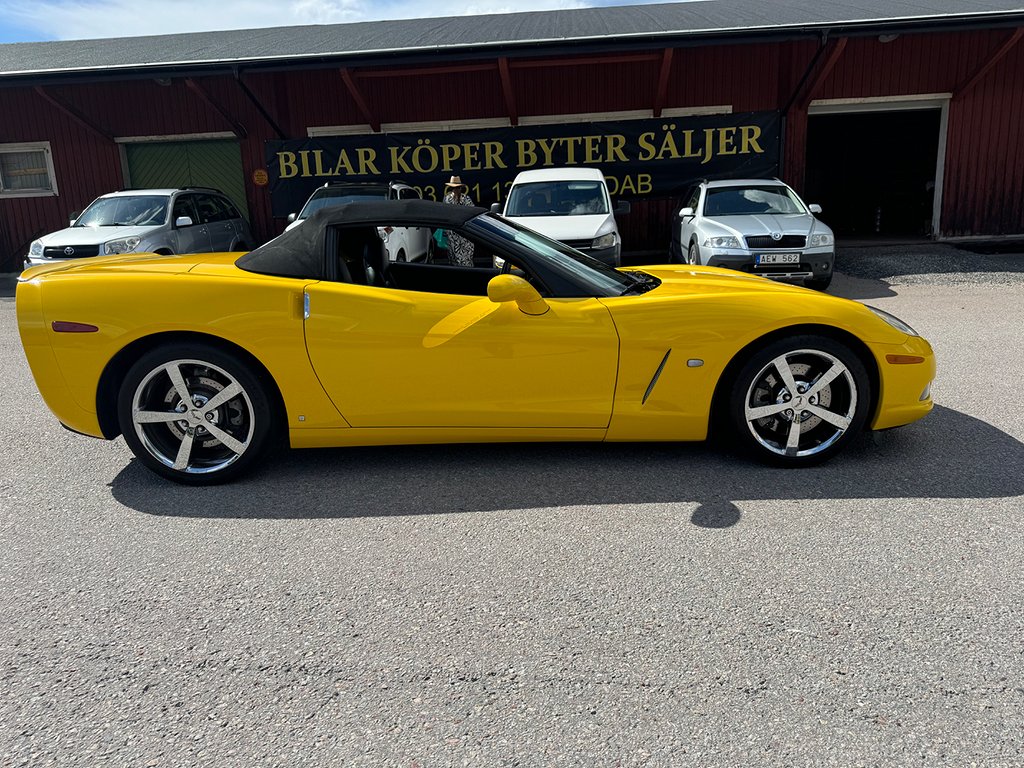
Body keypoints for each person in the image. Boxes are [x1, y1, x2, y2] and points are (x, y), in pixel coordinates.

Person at [442, 175, 475, 267]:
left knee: (464, 260)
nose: (456, 190)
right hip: (454, 234)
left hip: (463, 235)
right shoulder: (448, 199)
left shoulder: (465, 199)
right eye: (454, 188)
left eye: (457, 188)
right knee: (456, 260)